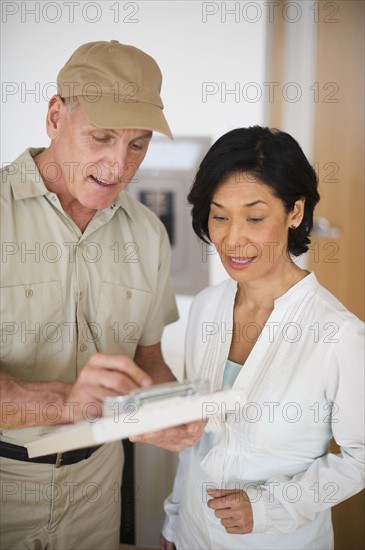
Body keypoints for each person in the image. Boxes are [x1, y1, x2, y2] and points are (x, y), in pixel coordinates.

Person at [0, 40, 203, 550]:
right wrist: (65, 403)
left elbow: (147, 357)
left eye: (138, 144)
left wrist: (166, 410)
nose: (119, 165)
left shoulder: (149, 233)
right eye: (102, 137)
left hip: (98, 487)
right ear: (54, 116)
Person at [161, 126, 365, 550]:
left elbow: (360, 459)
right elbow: (195, 436)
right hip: (194, 533)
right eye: (220, 216)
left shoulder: (339, 334)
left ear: (294, 212)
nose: (233, 239)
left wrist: (271, 505)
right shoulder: (205, 307)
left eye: (254, 218)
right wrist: (174, 521)